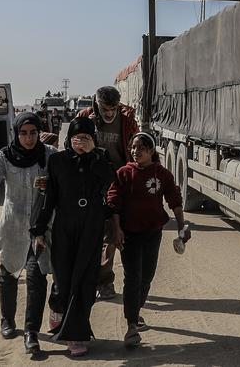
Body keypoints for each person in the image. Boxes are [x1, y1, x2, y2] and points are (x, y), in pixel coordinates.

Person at [30, 116, 114, 357]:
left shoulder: (100, 158)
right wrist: (39, 228)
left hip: (91, 227)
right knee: (63, 280)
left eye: (86, 137)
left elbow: (109, 180)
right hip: (65, 228)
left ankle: (76, 336)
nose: (81, 141)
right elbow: (50, 198)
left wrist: (91, 154)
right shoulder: (57, 161)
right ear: (69, 138)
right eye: (77, 137)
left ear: (93, 139)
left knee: (85, 281)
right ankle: (57, 308)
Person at [0, 113, 56, 354]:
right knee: (8, 274)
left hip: (41, 228)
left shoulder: (50, 154)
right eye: (23, 133)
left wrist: (50, 185)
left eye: (33, 133)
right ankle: (7, 319)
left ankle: (31, 332)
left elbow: (65, 181)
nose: (29, 138)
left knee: (37, 278)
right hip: (13, 226)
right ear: (16, 133)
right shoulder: (4, 156)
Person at [107, 132, 189, 348]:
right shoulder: (123, 173)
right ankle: (132, 325)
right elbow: (113, 202)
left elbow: (174, 200)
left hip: (153, 232)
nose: (136, 151)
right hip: (129, 234)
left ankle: (135, 310)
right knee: (132, 277)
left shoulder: (161, 174)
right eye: (133, 147)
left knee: (147, 277)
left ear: (151, 151)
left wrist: (182, 227)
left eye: (141, 147)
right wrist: (116, 231)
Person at [76, 85, 138, 300]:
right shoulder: (85, 117)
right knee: (96, 233)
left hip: (118, 182)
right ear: (97, 104)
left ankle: (108, 282)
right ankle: (97, 281)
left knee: (114, 232)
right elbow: (70, 146)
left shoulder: (127, 118)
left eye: (113, 109)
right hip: (92, 183)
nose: (109, 114)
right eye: (105, 109)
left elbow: (135, 148)